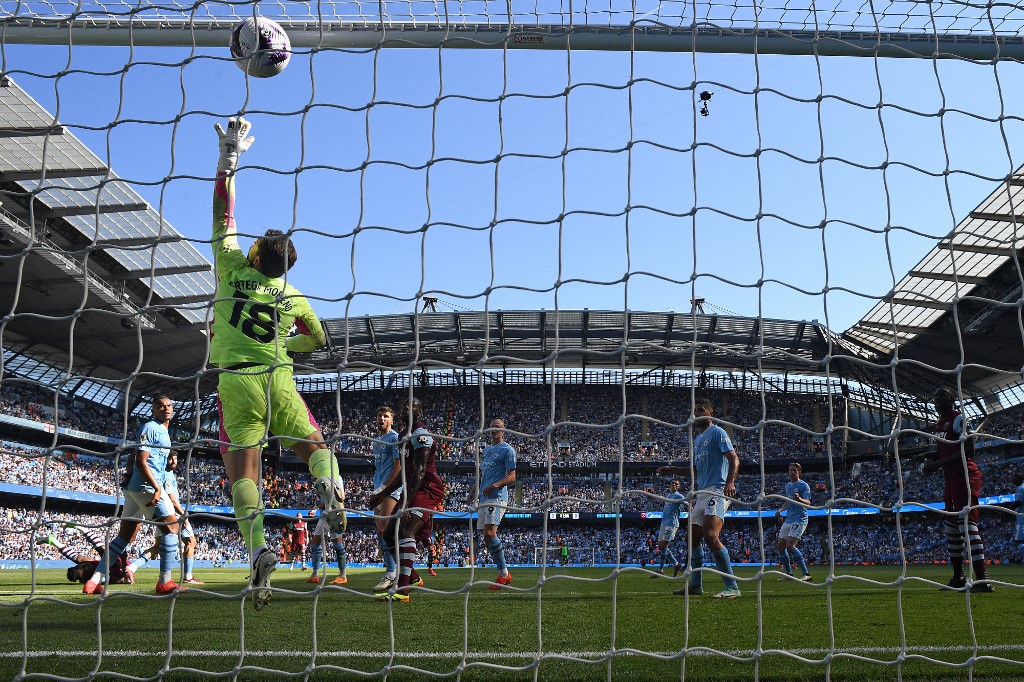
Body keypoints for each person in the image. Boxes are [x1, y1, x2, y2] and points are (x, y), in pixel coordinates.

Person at [210, 117, 345, 610]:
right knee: (313, 444)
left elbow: (223, 214)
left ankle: (258, 550)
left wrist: (229, 159)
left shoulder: (230, 268)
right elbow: (320, 338)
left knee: (242, 469)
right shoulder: (293, 296)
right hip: (279, 379)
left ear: (256, 253)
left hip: (237, 381)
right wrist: (290, 347)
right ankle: (331, 488)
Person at [83, 394, 181, 595]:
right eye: (161, 406)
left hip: (134, 488)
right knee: (172, 527)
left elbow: (133, 455)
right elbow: (141, 460)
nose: (166, 408)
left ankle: (94, 581)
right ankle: (165, 582)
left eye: (169, 405)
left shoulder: (163, 431)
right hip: (146, 487)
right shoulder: (151, 427)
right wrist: (157, 487)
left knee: (124, 537)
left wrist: (128, 472)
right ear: (153, 410)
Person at [658, 397, 741, 599]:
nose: (697, 413)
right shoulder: (697, 440)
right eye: (695, 411)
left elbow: (734, 458)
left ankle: (732, 587)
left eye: (701, 409)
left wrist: (730, 483)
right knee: (692, 540)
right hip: (702, 492)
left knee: (711, 536)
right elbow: (695, 470)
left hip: (717, 490)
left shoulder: (717, 432)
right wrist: (672, 469)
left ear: (710, 413)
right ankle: (696, 585)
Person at [367, 397, 445, 602]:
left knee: (405, 530)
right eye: (404, 407)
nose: (407, 410)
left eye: (412, 408)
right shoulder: (402, 436)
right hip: (411, 488)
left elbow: (419, 471)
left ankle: (402, 591)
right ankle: (413, 578)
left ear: (420, 413)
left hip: (427, 488)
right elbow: (404, 473)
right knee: (388, 534)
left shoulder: (422, 435)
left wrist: (407, 504)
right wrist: (382, 495)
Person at [922, 388, 993, 592]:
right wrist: (928, 458)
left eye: (942, 396)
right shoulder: (939, 424)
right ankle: (958, 577)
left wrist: (937, 464)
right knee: (951, 528)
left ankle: (982, 580)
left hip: (965, 475)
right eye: (935, 397)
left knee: (966, 523)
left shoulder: (958, 418)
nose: (937, 400)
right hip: (951, 478)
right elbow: (947, 450)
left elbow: (969, 450)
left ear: (952, 399)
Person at [126, 450, 204, 585]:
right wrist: (184, 514)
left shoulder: (164, 474)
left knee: (157, 547)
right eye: (170, 459)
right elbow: (173, 500)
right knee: (191, 542)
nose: (174, 462)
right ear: (165, 460)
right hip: (173, 514)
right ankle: (188, 577)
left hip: (161, 513)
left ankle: (132, 567)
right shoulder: (167, 476)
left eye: (175, 459)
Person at [467, 418, 517, 589]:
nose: (494, 430)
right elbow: (481, 474)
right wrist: (473, 492)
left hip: (497, 496)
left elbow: (512, 477)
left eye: (498, 427)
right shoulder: (487, 450)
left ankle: (504, 575)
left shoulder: (508, 450)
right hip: (483, 497)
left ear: (503, 431)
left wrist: (495, 485)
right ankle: (503, 573)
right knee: (486, 536)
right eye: (491, 427)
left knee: (489, 534)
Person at [370, 406, 402, 592]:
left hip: (391, 489)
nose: (382, 418)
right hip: (379, 489)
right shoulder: (376, 440)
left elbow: (398, 468)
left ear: (391, 420)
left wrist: (382, 489)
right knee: (381, 533)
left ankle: (392, 574)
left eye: (386, 416)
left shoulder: (395, 438)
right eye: (380, 415)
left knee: (384, 530)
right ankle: (401, 572)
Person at [37, 524, 133, 585]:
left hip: (110, 566)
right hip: (119, 566)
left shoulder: (90, 575)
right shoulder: (108, 576)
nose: (82, 565)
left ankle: (54, 540)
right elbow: (125, 580)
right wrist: (126, 572)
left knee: (80, 559)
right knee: (103, 552)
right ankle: (79, 527)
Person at [774, 462, 813, 582]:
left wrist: (799, 499)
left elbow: (808, 502)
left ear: (799, 472)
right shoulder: (788, 486)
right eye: (790, 470)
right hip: (789, 518)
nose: (792, 472)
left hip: (799, 518)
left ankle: (806, 573)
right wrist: (780, 510)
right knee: (780, 546)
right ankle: (789, 574)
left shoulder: (804, 486)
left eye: (794, 470)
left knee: (790, 546)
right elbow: (788, 502)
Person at [306, 497, 349, 585]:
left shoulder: (336, 482)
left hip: (335, 515)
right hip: (323, 516)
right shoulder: (319, 484)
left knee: (337, 545)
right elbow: (320, 500)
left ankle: (343, 576)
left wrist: (324, 504)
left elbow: (341, 496)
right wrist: (314, 509)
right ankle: (314, 575)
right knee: (315, 544)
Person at [651, 478, 685, 578]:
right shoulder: (669, 496)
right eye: (672, 483)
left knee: (664, 545)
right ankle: (676, 564)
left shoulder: (679, 496)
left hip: (671, 524)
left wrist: (691, 511)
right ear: (669, 486)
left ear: (678, 487)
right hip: (664, 523)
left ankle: (661, 570)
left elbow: (687, 503)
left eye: (676, 484)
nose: (674, 485)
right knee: (661, 546)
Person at [1014, 473, 1024, 556]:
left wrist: (1003, 512)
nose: (1014, 480)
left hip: (1022, 517)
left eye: (1015, 478)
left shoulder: (1020, 488)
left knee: (1017, 542)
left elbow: (1017, 502)